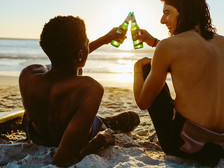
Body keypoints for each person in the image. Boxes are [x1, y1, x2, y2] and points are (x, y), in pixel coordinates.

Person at [133, 0, 224, 165]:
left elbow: (143, 102)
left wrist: (138, 69)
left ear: (183, 12)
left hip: (187, 146)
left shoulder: (168, 46)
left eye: (167, 13)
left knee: (147, 71)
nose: (162, 20)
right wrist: (154, 42)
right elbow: (193, 58)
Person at [19, 15, 140, 167]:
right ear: (81, 54)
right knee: (132, 118)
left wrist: (104, 39)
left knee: (70, 73)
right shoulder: (91, 88)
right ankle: (105, 122)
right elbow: (64, 159)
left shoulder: (28, 74)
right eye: (87, 43)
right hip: (71, 138)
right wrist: (102, 139)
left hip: (38, 136)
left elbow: (63, 60)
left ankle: (98, 119)